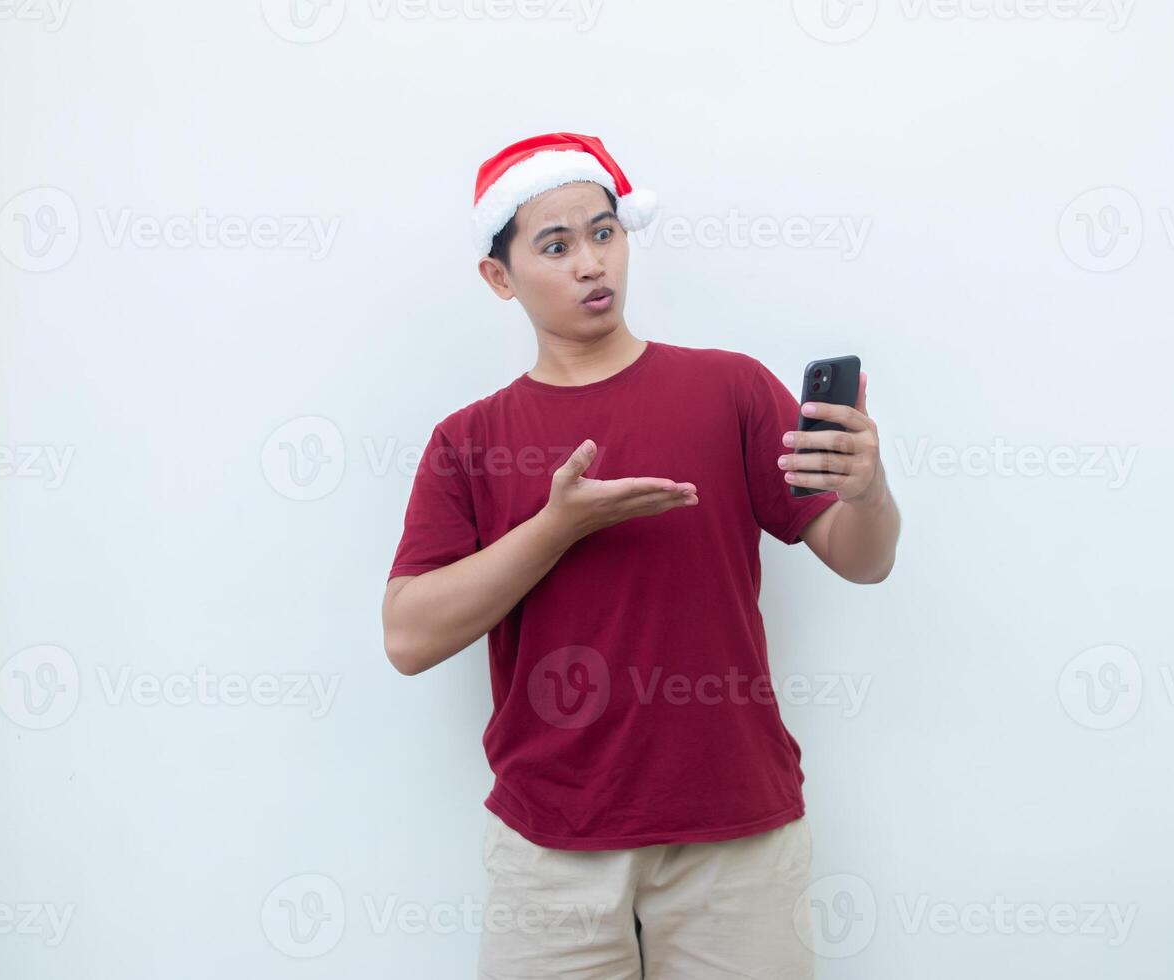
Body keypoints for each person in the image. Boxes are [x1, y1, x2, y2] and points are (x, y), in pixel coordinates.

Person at [380, 131, 901, 979]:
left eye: (604, 232)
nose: (592, 263)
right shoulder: (468, 441)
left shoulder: (730, 388)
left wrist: (867, 491)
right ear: (498, 277)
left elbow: (864, 560)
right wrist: (555, 529)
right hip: (550, 849)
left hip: (737, 839)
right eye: (556, 245)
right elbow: (407, 638)